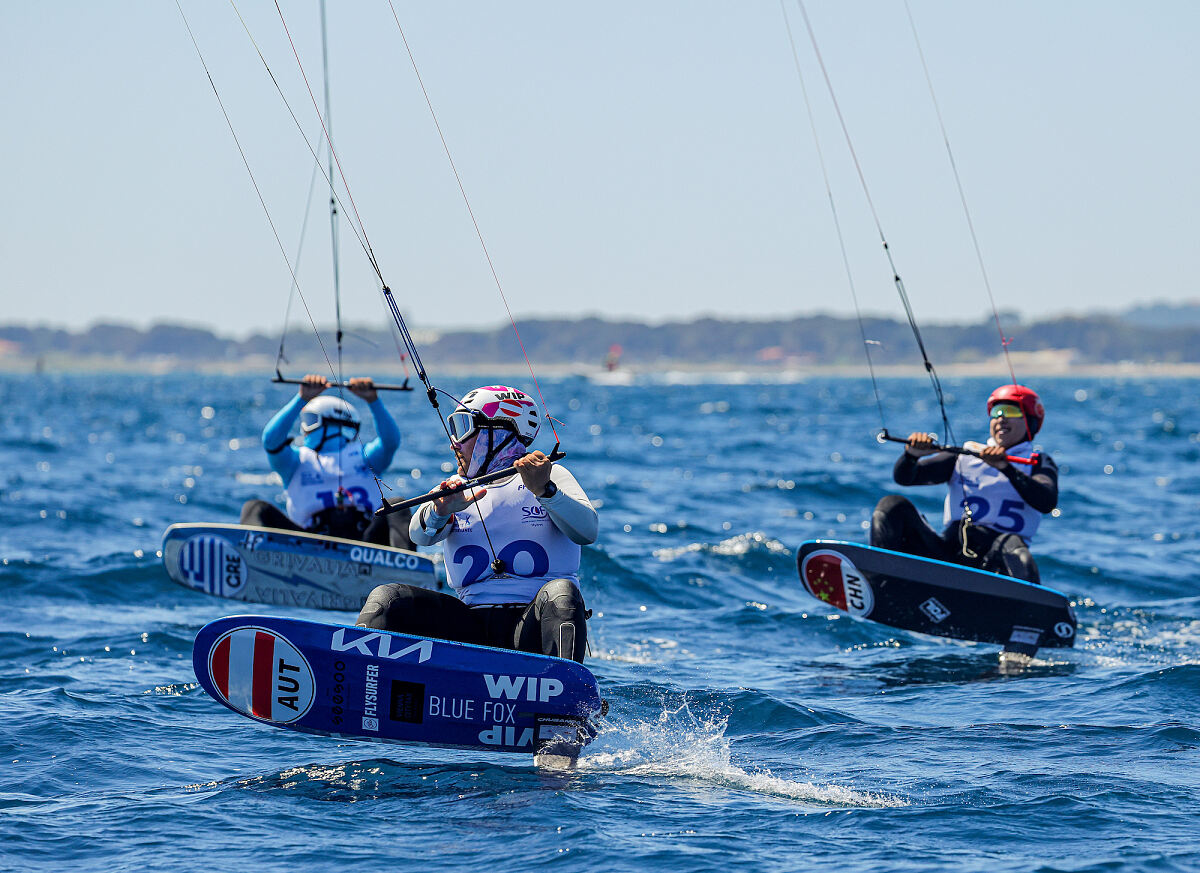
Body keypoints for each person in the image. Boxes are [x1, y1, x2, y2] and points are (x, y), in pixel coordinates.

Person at [355, 385, 597, 663]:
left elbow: (587, 531)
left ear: (498, 433)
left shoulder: (552, 477)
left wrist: (545, 491)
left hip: (533, 630)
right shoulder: (455, 490)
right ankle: (357, 679)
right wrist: (441, 510)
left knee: (563, 594)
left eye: (463, 427)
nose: (453, 442)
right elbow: (418, 535)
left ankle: (563, 695)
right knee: (388, 598)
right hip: (470, 627)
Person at [869, 384, 1058, 583]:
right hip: (947, 555)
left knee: (1015, 546)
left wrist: (1006, 468)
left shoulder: (1038, 463)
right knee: (892, 506)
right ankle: (880, 580)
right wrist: (911, 456)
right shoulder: (966, 456)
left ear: (1030, 421)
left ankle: (1027, 606)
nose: (1001, 417)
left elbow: (1046, 501)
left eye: (1011, 411)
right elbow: (905, 478)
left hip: (995, 565)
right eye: (996, 412)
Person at [239, 373, 413, 548]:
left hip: (365, 545)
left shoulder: (366, 456)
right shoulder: (295, 461)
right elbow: (270, 441)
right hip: (308, 546)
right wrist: (302, 398)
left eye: (309, 420)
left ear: (329, 421)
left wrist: (373, 401)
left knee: (397, 505)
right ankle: (252, 558)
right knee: (254, 508)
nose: (304, 427)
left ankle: (408, 567)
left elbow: (391, 441)